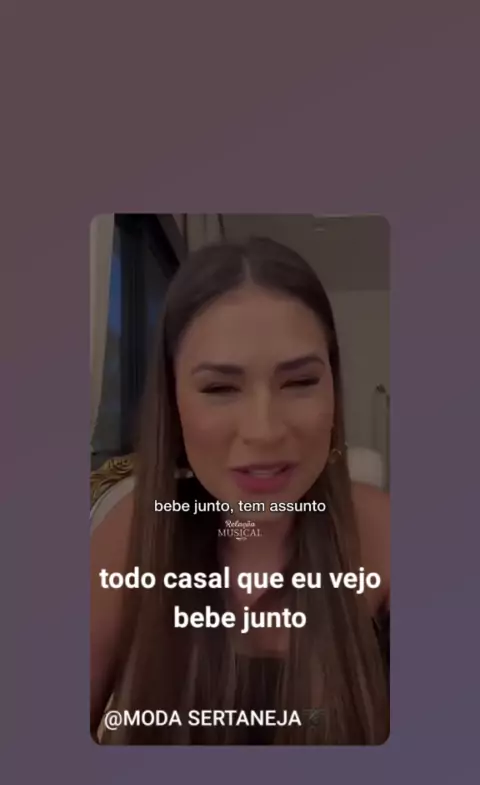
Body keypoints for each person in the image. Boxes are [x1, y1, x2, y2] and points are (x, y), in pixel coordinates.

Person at [90, 236, 390, 745]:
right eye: (219, 388)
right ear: (173, 404)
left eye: (300, 382)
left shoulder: (388, 535)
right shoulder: (133, 535)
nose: (264, 431)